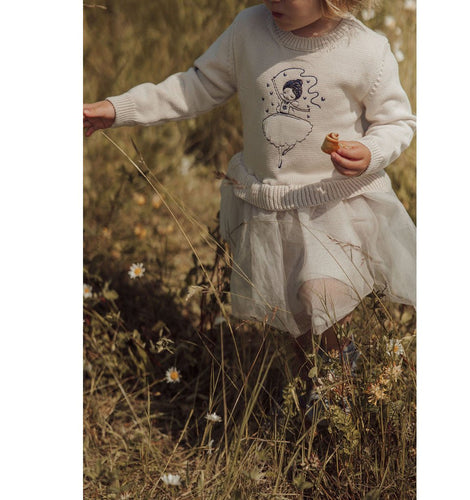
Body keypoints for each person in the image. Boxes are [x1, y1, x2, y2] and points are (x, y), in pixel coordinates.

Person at [83, 0, 416, 412]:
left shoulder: (365, 49)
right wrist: (118, 109)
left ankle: (339, 393)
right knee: (296, 315)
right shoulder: (249, 29)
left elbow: (396, 122)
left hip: (331, 204)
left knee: (323, 297)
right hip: (273, 206)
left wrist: (370, 150)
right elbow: (195, 86)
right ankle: (314, 395)